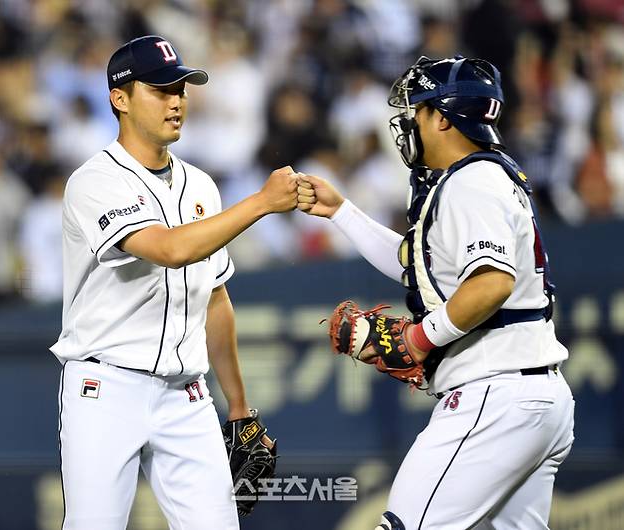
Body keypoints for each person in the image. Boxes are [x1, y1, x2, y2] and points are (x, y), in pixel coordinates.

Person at [297, 56, 574, 529]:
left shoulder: (470, 182)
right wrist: (342, 213)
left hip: (494, 395)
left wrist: (419, 339)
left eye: (418, 111)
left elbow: (491, 282)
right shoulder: (486, 176)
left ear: (442, 117)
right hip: (533, 394)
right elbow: (417, 263)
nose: (410, 122)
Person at [50, 35, 295, 530]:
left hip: (187, 395)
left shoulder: (202, 184)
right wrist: (262, 202)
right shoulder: (94, 181)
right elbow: (169, 248)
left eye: (180, 88)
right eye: (160, 89)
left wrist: (239, 407)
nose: (177, 99)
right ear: (119, 98)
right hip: (106, 385)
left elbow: (215, 298)